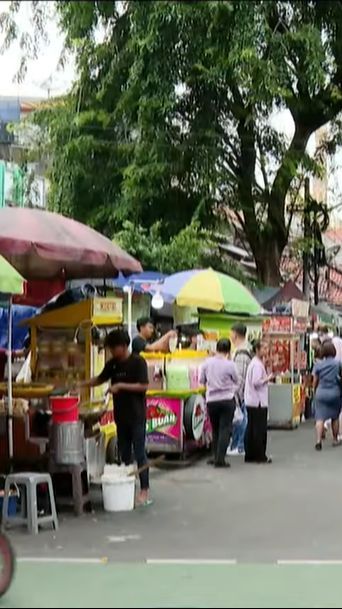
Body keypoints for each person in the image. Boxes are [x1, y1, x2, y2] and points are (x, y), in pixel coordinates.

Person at [80, 329, 151, 505]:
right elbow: (100, 379)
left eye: (113, 348)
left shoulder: (138, 362)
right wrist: (81, 384)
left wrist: (120, 386)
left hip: (137, 416)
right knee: (125, 455)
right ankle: (128, 487)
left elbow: (143, 386)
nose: (111, 351)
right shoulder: (113, 364)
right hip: (121, 416)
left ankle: (144, 490)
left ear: (123, 346)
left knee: (140, 453)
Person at [200, 338, 238, 468]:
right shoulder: (230, 364)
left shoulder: (207, 363)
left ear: (216, 348)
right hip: (227, 399)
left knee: (215, 429)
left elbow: (201, 380)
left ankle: (214, 455)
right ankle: (220, 459)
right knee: (225, 428)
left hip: (212, 400)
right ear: (228, 350)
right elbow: (236, 379)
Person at [244, 339, 272, 464]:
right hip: (258, 402)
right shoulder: (256, 365)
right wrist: (268, 378)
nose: (266, 350)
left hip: (252, 401)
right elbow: (256, 382)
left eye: (267, 348)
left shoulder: (256, 363)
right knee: (259, 430)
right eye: (264, 348)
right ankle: (259, 455)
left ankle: (250, 454)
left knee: (252, 428)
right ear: (257, 350)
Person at [312, 340, 342, 451]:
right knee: (334, 416)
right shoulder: (338, 363)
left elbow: (315, 381)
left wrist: (315, 391)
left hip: (321, 393)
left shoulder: (318, 365)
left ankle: (318, 441)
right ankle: (335, 439)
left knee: (320, 417)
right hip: (335, 392)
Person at [228, 323, 252, 456]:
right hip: (242, 393)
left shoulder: (241, 352)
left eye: (230, 332)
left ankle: (240, 446)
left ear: (235, 334)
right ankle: (235, 445)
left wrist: (236, 393)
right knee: (239, 418)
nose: (230, 335)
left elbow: (240, 376)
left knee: (241, 418)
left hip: (241, 393)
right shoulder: (242, 350)